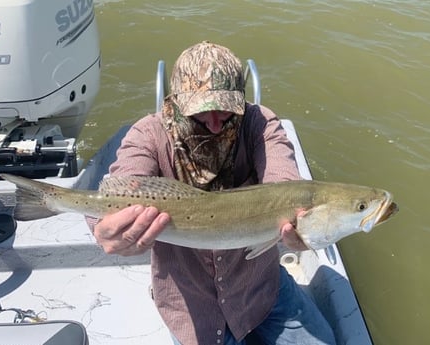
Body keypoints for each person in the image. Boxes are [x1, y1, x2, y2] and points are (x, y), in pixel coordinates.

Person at [91, 41, 336, 345]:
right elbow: (122, 182)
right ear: (178, 102)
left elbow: (283, 179)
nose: (217, 124)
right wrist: (103, 228)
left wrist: (297, 219)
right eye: (202, 111)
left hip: (259, 288)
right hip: (191, 305)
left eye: (226, 109)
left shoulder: (259, 123)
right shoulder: (148, 134)